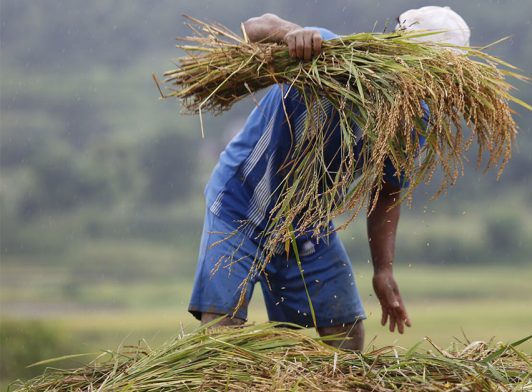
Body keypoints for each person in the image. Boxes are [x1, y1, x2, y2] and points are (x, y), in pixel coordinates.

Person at [188, 6, 470, 351]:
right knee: (222, 329)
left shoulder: (412, 124)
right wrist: (293, 33)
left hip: (306, 222)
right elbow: (255, 26)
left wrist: (383, 270)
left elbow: (387, 193)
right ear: (401, 49)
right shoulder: (331, 57)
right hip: (240, 204)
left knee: (346, 332)